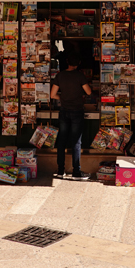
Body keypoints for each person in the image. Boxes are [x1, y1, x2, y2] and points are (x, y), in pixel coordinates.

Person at [50, 52, 92, 180]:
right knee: (76, 141)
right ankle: (76, 172)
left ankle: (60, 170)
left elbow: (52, 95)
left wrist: (62, 99)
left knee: (61, 141)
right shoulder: (80, 76)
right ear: (78, 63)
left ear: (67, 62)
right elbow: (89, 92)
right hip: (77, 111)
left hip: (64, 111)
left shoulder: (60, 75)